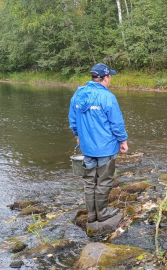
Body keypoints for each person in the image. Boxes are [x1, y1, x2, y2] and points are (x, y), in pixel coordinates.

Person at [68, 63, 129, 224]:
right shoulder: (108, 97)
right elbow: (116, 123)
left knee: (89, 182)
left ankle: (91, 215)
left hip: (87, 147)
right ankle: (102, 213)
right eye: (110, 77)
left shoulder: (78, 95)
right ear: (105, 77)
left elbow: (73, 121)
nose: (110, 80)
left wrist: (78, 135)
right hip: (106, 147)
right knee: (104, 181)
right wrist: (123, 140)